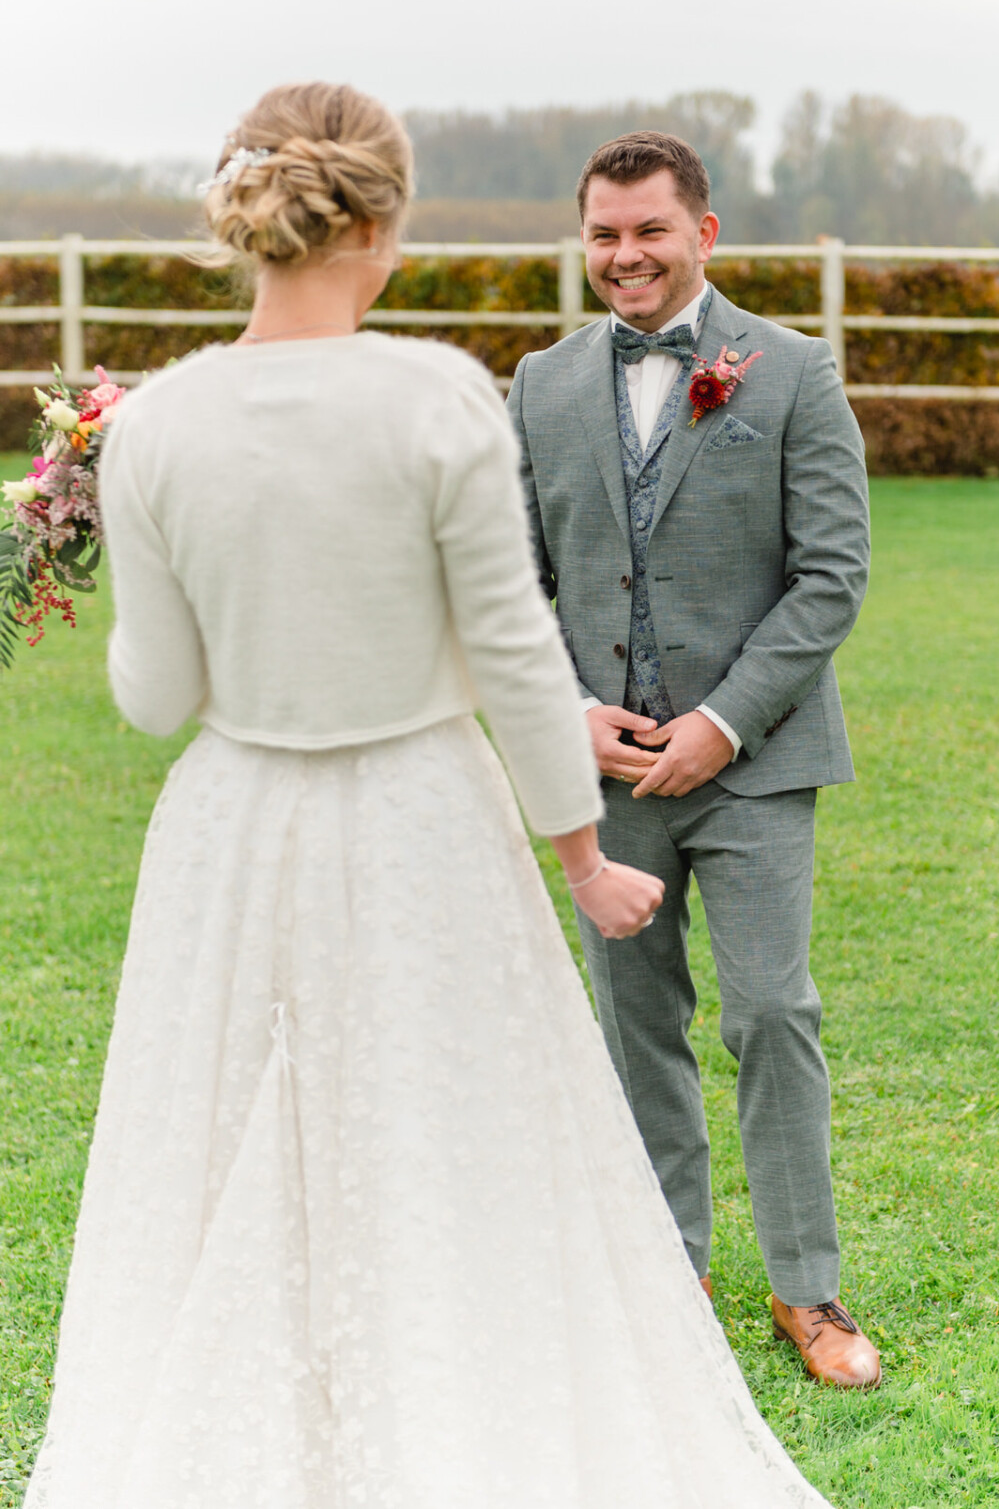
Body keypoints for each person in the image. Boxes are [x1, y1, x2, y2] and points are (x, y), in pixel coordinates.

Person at [25, 84, 833, 1508]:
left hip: (231, 826)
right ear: (384, 226)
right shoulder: (441, 395)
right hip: (417, 814)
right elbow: (515, 646)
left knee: (231, 1135)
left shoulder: (149, 428)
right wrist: (581, 854)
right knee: (443, 1129)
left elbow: (154, 695)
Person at [507, 131, 879, 1388]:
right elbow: (516, 584)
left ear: (703, 234)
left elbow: (832, 576)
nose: (626, 256)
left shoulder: (792, 373)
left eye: (650, 231)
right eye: (605, 234)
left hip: (757, 765)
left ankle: (808, 1295)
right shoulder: (541, 385)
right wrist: (565, 709)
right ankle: (667, 1271)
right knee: (636, 1024)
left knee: (774, 1013)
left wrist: (723, 721)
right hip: (606, 775)